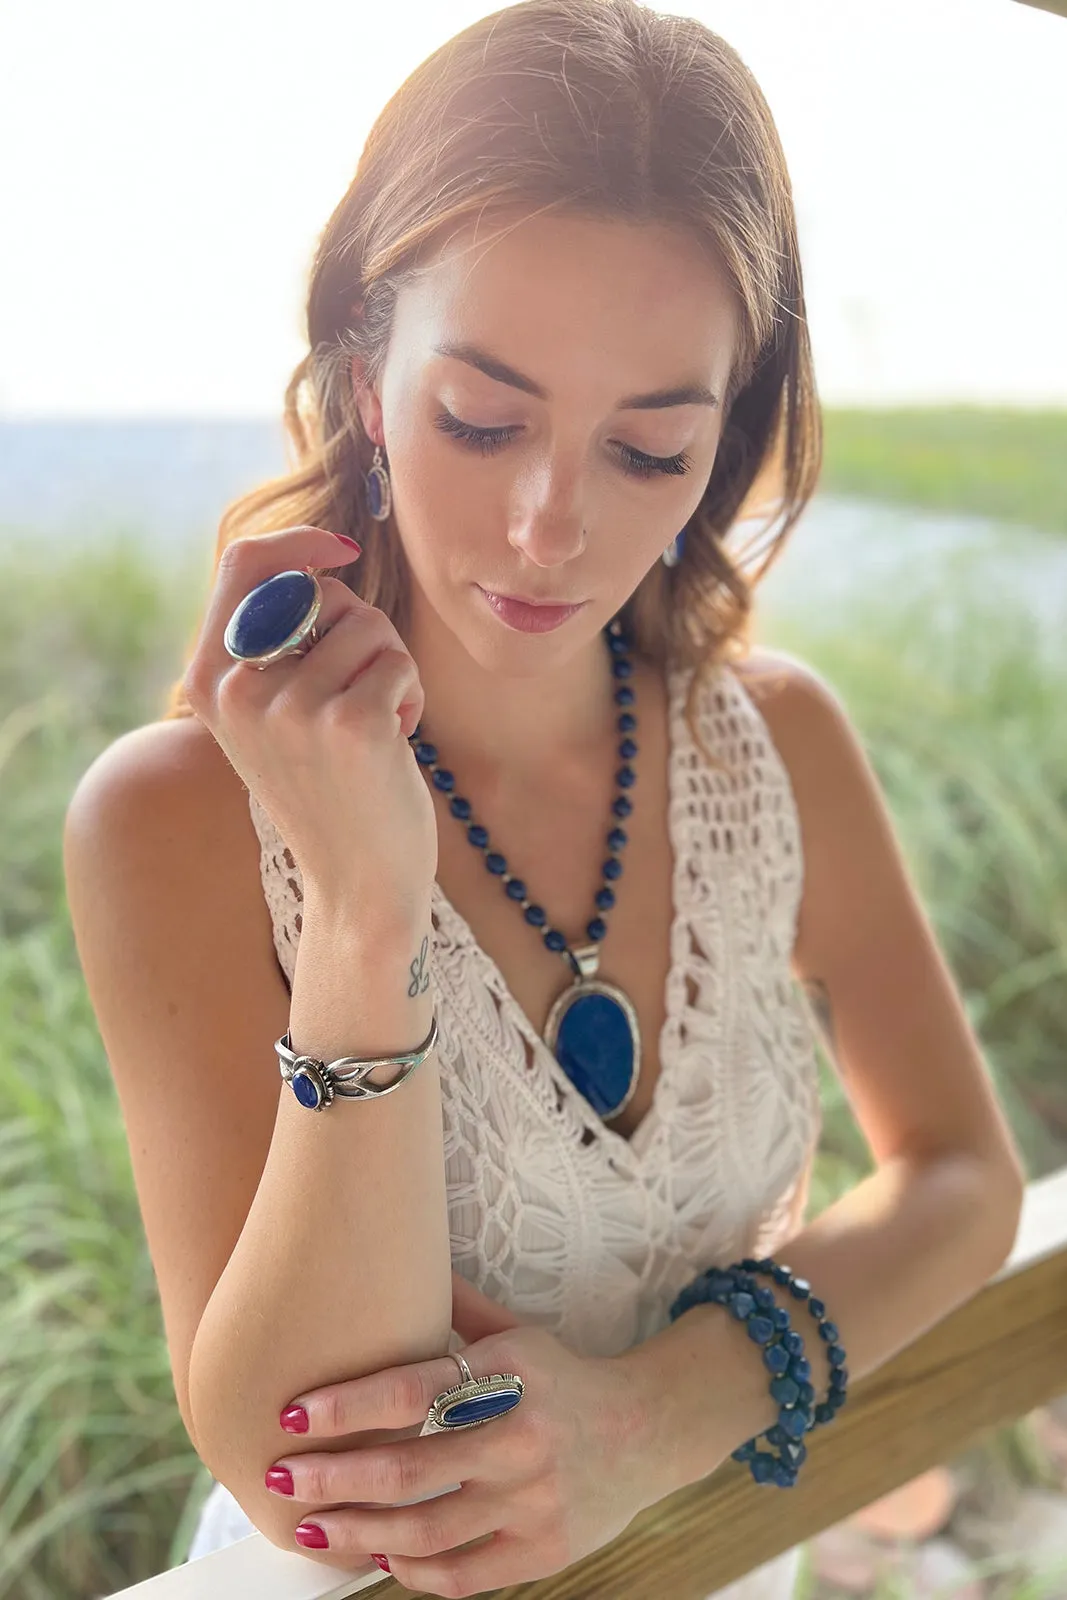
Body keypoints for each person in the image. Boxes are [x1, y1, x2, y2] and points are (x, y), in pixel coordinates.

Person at [62, 2, 1026, 1596]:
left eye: (647, 449)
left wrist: (661, 1415)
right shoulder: (172, 818)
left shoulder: (772, 746)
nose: (543, 527)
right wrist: (367, 919)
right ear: (366, 376)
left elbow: (962, 1175)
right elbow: (304, 1468)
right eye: (484, 420)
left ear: (720, 451)